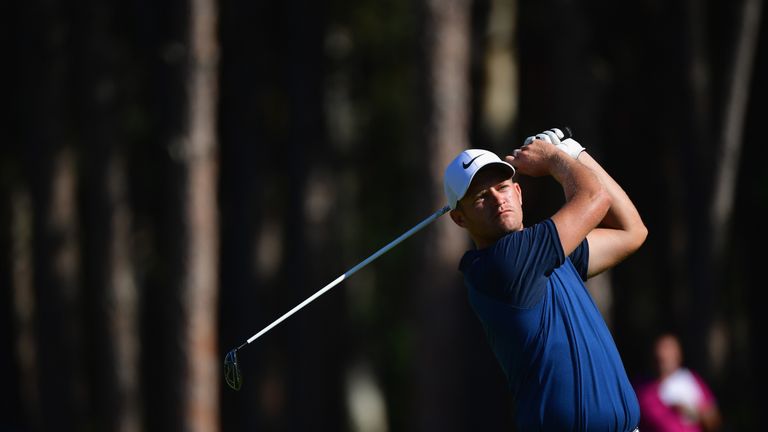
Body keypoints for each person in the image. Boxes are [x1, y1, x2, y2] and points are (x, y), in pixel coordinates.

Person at [443, 128, 647, 431]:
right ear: (460, 219)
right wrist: (556, 158)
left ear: (518, 192)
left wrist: (575, 153)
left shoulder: (546, 255)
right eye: (481, 197)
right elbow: (594, 196)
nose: (498, 200)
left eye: (502, 187)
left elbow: (631, 231)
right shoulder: (503, 264)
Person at [634, 333, 722, 432]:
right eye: (660, 350)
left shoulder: (690, 380)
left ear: (678, 355)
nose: (663, 355)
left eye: (668, 351)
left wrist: (693, 412)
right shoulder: (641, 388)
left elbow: (714, 420)